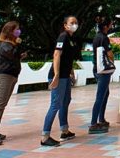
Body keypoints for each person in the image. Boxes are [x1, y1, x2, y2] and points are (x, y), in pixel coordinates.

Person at [40, 16, 80, 147]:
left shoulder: (71, 39)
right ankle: (45, 137)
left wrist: (71, 72)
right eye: (71, 23)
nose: (74, 25)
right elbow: (56, 55)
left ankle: (65, 130)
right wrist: (56, 75)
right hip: (58, 76)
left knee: (66, 101)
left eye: (75, 23)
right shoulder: (63, 37)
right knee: (55, 104)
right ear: (65, 25)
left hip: (65, 76)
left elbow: (69, 59)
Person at [0, 21, 26, 146]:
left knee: (2, 105)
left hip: (11, 76)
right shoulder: (5, 45)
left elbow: (15, 56)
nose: (18, 31)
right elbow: (13, 54)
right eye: (16, 29)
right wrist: (18, 46)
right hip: (4, 77)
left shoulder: (11, 45)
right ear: (10, 31)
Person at [88, 17, 115, 134]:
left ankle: (101, 119)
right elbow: (109, 54)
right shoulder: (104, 38)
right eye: (110, 24)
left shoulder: (96, 37)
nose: (111, 26)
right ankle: (94, 123)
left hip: (96, 69)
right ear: (106, 26)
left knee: (105, 93)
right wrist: (112, 65)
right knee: (100, 96)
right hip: (103, 71)